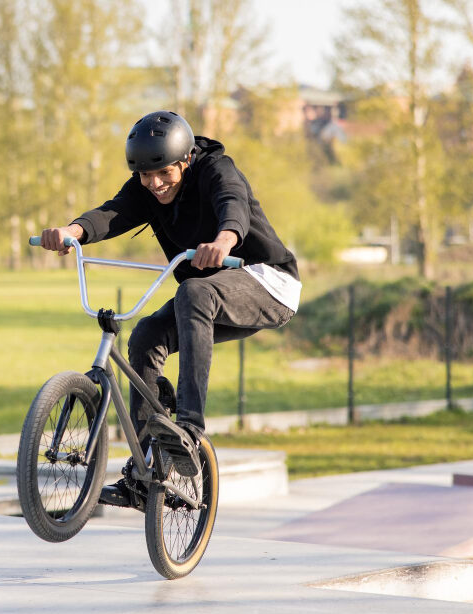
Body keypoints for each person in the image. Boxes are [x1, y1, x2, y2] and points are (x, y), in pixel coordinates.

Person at [38, 110, 300, 507]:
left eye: (164, 174)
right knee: (145, 336)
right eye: (146, 176)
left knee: (194, 292)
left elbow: (233, 203)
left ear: (185, 161)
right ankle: (147, 470)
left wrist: (225, 240)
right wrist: (70, 232)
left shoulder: (216, 169)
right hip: (208, 296)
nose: (156, 184)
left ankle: (189, 428)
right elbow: (114, 212)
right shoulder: (147, 188)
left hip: (267, 281)